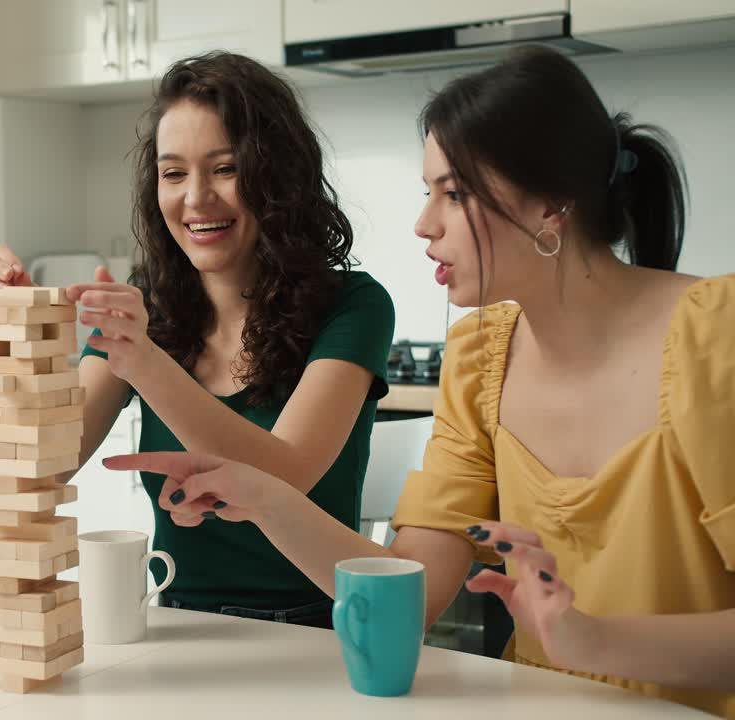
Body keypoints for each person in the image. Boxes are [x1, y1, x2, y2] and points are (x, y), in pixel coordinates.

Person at [105, 45, 735, 717]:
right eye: (428, 191)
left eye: (454, 193)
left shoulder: (715, 337)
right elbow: (410, 600)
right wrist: (258, 495)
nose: (424, 223)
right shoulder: (481, 361)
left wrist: (592, 641)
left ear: (551, 205)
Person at [0, 52, 395, 628]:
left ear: (278, 175)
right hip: (177, 622)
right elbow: (48, 462)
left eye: (225, 168)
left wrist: (146, 363)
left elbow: (284, 477)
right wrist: (20, 334)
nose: (195, 198)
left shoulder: (354, 304)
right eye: (173, 174)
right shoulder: (152, 304)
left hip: (319, 626)